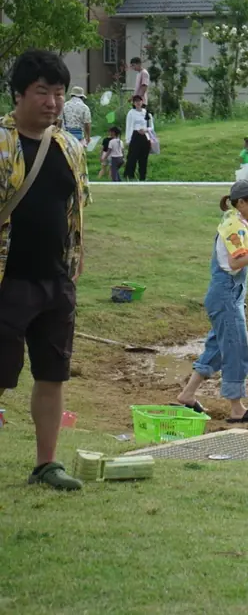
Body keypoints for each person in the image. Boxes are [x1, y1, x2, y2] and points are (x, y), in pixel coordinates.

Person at [0, 50, 92, 490]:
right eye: (42, 92)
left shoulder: (68, 147)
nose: (52, 102)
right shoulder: (2, 144)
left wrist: (77, 256)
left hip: (55, 280)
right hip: (8, 281)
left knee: (52, 374)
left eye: (58, 93)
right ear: (18, 94)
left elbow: (75, 208)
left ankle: (46, 464)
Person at [176, 180, 248, 422]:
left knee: (217, 348)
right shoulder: (234, 225)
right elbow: (235, 263)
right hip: (226, 296)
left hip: (228, 295)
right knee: (236, 350)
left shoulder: (235, 219)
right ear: (241, 202)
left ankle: (187, 394)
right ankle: (237, 408)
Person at [123, 95, 153, 181]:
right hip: (135, 135)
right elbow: (129, 126)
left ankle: (142, 177)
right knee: (132, 157)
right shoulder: (131, 113)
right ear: (133, 103)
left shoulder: (146, 112)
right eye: (136, 101)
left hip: (145, 136)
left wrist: (146, 130)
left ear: (142, 102)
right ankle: (129, 175)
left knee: (143, 158)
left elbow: (151, 126)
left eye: (139, 101)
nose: (138, 103)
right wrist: (128, 139)